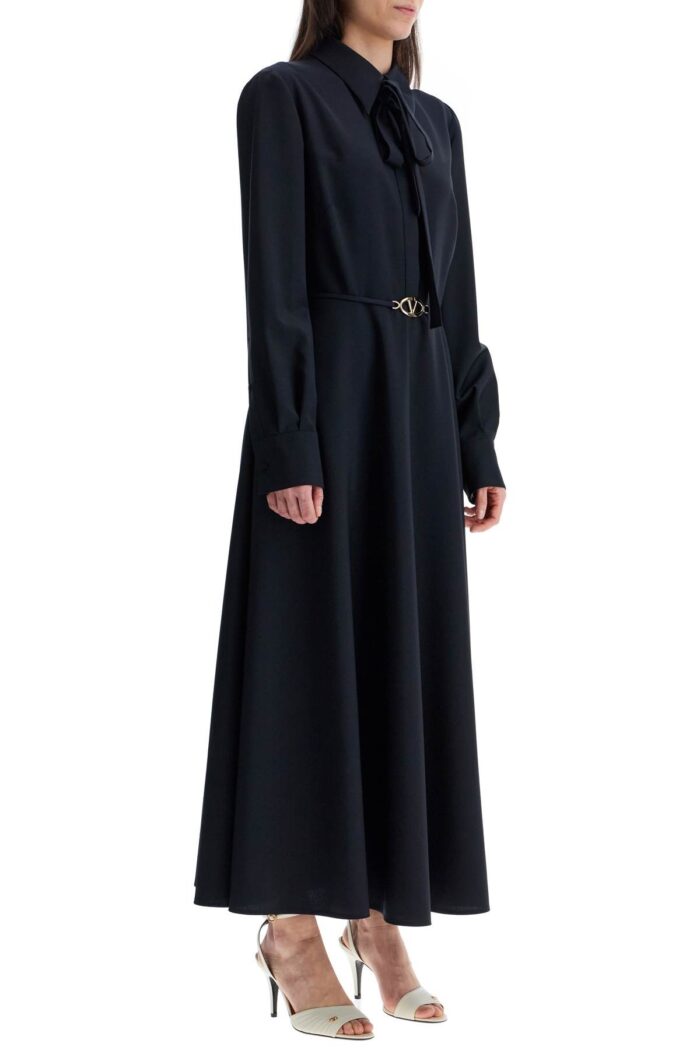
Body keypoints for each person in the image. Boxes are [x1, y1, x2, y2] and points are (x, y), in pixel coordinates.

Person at [194, 0, 507, 1039]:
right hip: (331, 405)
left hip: (416, 412)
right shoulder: (283, 98)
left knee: (401, 657)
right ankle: (291, 928)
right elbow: (274, 282)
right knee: (308, 657)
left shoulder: (435, 121)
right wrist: (291, 439)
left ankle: (378, 921)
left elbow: (457, 291)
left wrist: (473, 439)